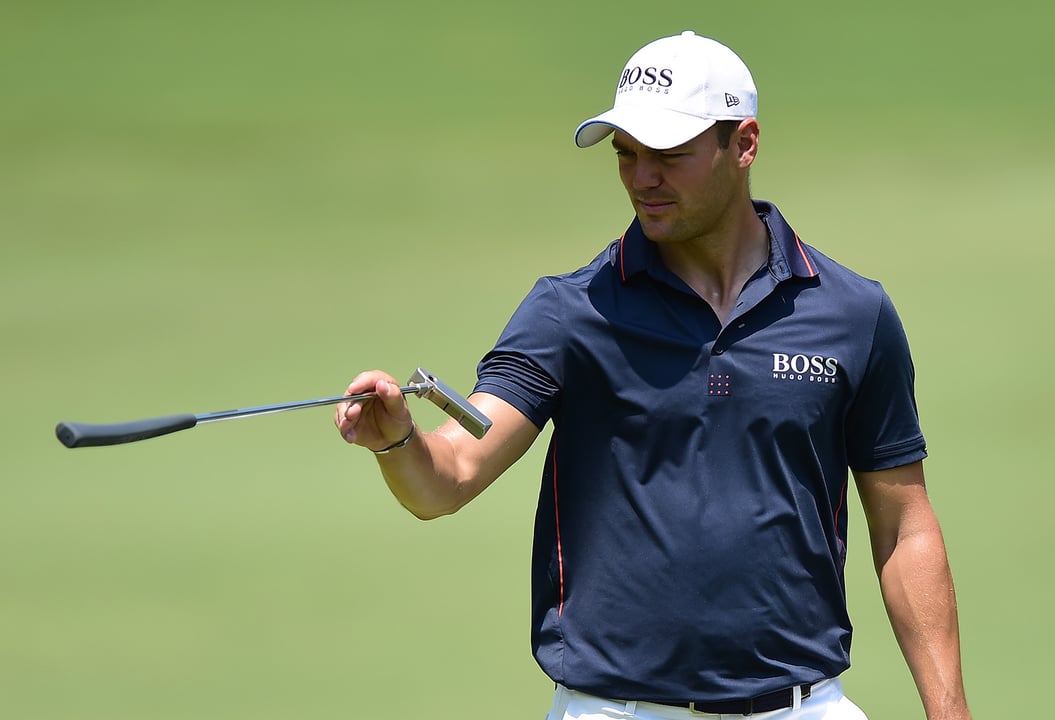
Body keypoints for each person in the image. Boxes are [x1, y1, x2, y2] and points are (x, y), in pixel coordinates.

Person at [334, 30, 971, 720]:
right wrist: (398, 440)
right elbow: (449, 477)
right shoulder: (570, 311)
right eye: (626, 155)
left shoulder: (852, 313)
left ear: (744, 144)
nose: (642, 178)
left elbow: (905, 527)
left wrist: (949, 712)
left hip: (802, 707)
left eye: (668, 155)